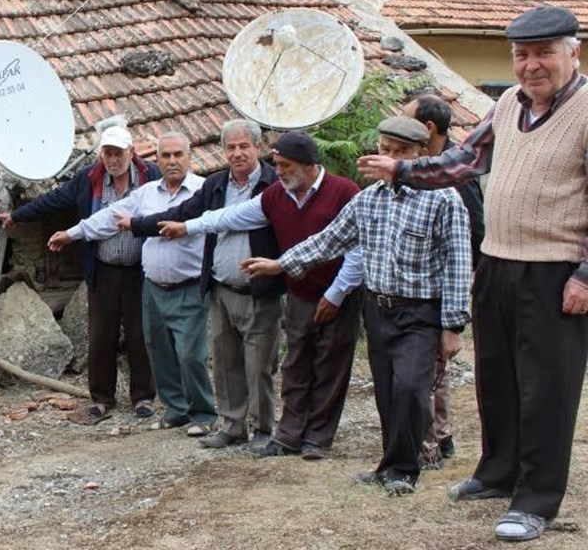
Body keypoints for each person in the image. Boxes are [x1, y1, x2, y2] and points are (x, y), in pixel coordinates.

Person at [358, 5, 588, 542]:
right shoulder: (507, 104)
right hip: (498, 262)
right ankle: (497, 472)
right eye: (522, 54)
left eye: (544, 53)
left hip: (554, 271)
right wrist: (403, 169)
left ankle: (535, 499)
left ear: (571, 51)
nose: (531, 65)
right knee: (497, 380)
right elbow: (462, 161)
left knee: (546, 390)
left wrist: (585, 275)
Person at [245, 116, 471, 496]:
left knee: (411, 390)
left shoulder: (444, 198)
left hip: (420, 313)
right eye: (385, 150)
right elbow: (329, 240)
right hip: (378, 310)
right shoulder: (367, 200)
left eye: (401, 153)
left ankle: (404, 468)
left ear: (420, 155)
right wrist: (281, 264)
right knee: (386, 390)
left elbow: (458, 262)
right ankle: (390, 465)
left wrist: (452, 325)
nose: (389, 158)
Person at [148, 130, 363, 459]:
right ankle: (289, 437)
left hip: (338, 295)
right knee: (295, 368)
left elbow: (357, 249)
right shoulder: (277, 195)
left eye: (286, 165)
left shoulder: (344, 192)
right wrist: (188, 227)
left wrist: (335, 293)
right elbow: (231, 216)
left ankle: (317, 438)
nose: (279, 171)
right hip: (300, 294)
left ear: (309, 165)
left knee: (329, 367)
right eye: (277, 165)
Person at [123, 120, 284, 449]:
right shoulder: (215, 185)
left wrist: (188, 227)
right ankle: (233, 425)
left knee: (258, 366)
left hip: (257, 290)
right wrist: (138, 225)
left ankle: (263, 429)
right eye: (230, 147)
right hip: (221, 288)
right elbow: (183, 212)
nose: (237, 153)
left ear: (258, 148)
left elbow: (211, 221)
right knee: (226, 363)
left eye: (244, 146)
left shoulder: (272, 185)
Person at [49, 132, 216, 434]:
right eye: (166, 156)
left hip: (189, 285)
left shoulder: (204, 190)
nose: (172, 161)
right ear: (157, 160)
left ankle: (203, 414)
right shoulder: (147, 193)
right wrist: (72, 233)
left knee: (191, 355)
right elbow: (110, 215)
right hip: (153, 286)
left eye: (178, 154)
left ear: (189, 157)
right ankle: (176, 410)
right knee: (158, 350)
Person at [0, 125, 159, 424]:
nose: (112, 159)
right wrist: (17, 216)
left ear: (131, 152)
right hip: (103, 270)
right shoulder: (90, 179)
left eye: (118, 153)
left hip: (141, 270)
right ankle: (101, 399)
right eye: (107, 153)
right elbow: (55, 199)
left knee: (141, 334)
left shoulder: (152, 177)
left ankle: (144, 397)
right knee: (101, 335)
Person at [405, 93, 486, 468]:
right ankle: (438, 432)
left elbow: (473, 229)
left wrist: (462, 280)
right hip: (419, 279)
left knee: (435, 362)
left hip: (445, 280)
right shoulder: (421, 164)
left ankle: (439, 436)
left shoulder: (456, 174)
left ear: (428, 128)